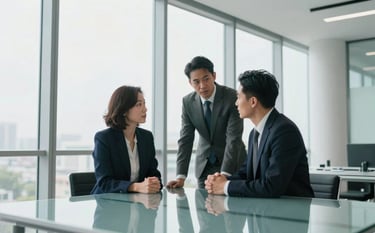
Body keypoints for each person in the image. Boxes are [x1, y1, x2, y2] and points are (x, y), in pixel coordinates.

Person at [205, 69, 314, 197]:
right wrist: (219, 181)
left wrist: (225, 187)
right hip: (267, 210)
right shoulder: (254, 134)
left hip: (292, 212)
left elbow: (272, 186)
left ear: (253, 102)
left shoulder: (284, 131)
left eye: (238, 97)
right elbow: (246, 174)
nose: (236, 103)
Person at [167, 56, 246, 189]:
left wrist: (224, 174)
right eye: (196, 82)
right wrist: (181, 176)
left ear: (214, 76)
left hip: (233, 166)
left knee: (232, 208)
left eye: (206, 79)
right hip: (204, 168)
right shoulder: (188, 102)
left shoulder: (231, 97)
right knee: (203, 208)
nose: (202, 86)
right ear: (190, 83)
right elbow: (186, 139)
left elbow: (234, 138)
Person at [91, 85, 162, 194]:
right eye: (139, 104)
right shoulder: (104, 139)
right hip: (107, 204)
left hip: (137, 203)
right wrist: (135, 187)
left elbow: (153, 174)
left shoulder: (146, 137)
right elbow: (105, 182)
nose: (145, 109)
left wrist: (154, 183)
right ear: (123, 110)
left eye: (144, 103)